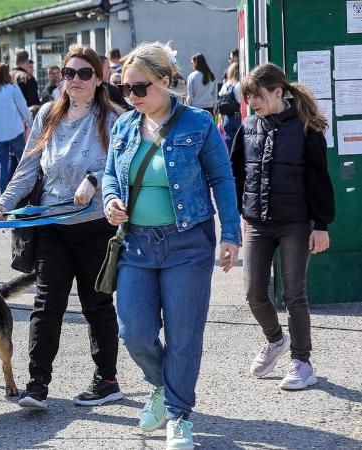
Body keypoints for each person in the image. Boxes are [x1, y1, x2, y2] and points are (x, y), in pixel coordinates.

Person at [103, 42, 241, 449]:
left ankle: (179, 415)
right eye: (125, 89)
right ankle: (161, 387)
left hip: (187, 244)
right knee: (134, 332)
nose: (132, 97)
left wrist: (231, 234)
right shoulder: (124, 126)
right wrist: (111, 198)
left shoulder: (198, 123)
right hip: (136, 247)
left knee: (183, 336)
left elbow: (222, 179)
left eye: (139, 88)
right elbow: (111, 174)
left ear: (166, 81)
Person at [0, 46, 123, 410]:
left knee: (97, 304)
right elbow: (30, 165)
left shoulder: (114, 119)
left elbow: (122, 168)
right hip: (51, 226)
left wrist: (95, 179)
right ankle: (37, 384)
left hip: (95, 226)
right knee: (47, 305)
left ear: (98, 78)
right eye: (68, 73)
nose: (75, 80)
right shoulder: (48, 113)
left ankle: (107, 379)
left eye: (83, 74)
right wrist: (4, 202)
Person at [230, 63, 335, 391]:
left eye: (257, 96)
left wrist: (321, 225)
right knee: (253, 294)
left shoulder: (306, 127)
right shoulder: (247, 126)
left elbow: (320, 179)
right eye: (248, 97)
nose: (252, 103)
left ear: (278, 92)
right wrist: (241, 214)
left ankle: (302, 362)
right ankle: (276, 340)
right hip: (258, 224)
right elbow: (236, 174)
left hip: (296, 223)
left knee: (293, 294)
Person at [0, 63, 32, 194]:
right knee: (24, 162)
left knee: (2, 166)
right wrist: (31, 123)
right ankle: (28, 188)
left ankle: (2, 195)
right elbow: (23, 108)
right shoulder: (12, 88)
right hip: (15, 131)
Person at [218, 62, 242, 150]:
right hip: (237, 115)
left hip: (227, 118)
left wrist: (221, 120)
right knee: (240, 143)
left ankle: (231, 162)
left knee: (229, 144)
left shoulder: (225, 85)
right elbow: (240, 101)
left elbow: (220, 101)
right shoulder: (238, 85)